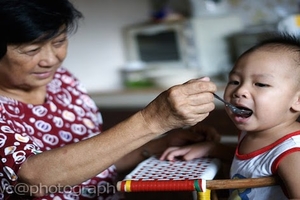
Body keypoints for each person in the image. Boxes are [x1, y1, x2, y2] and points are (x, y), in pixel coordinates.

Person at [0, 0, 221, 199]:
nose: (50, 60)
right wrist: (153, 120)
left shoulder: (61, 81)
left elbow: (94, 161)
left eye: (59, 42)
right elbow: (35, 179)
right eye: (32, 50)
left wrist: (157, 146)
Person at [160, 33, 300, 200]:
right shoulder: (253, 132)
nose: (240, 91)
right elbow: (254, 165)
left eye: (261, 84)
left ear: (298, 100)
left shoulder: (293, 154)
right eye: (234, 81)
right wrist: (212, 149)